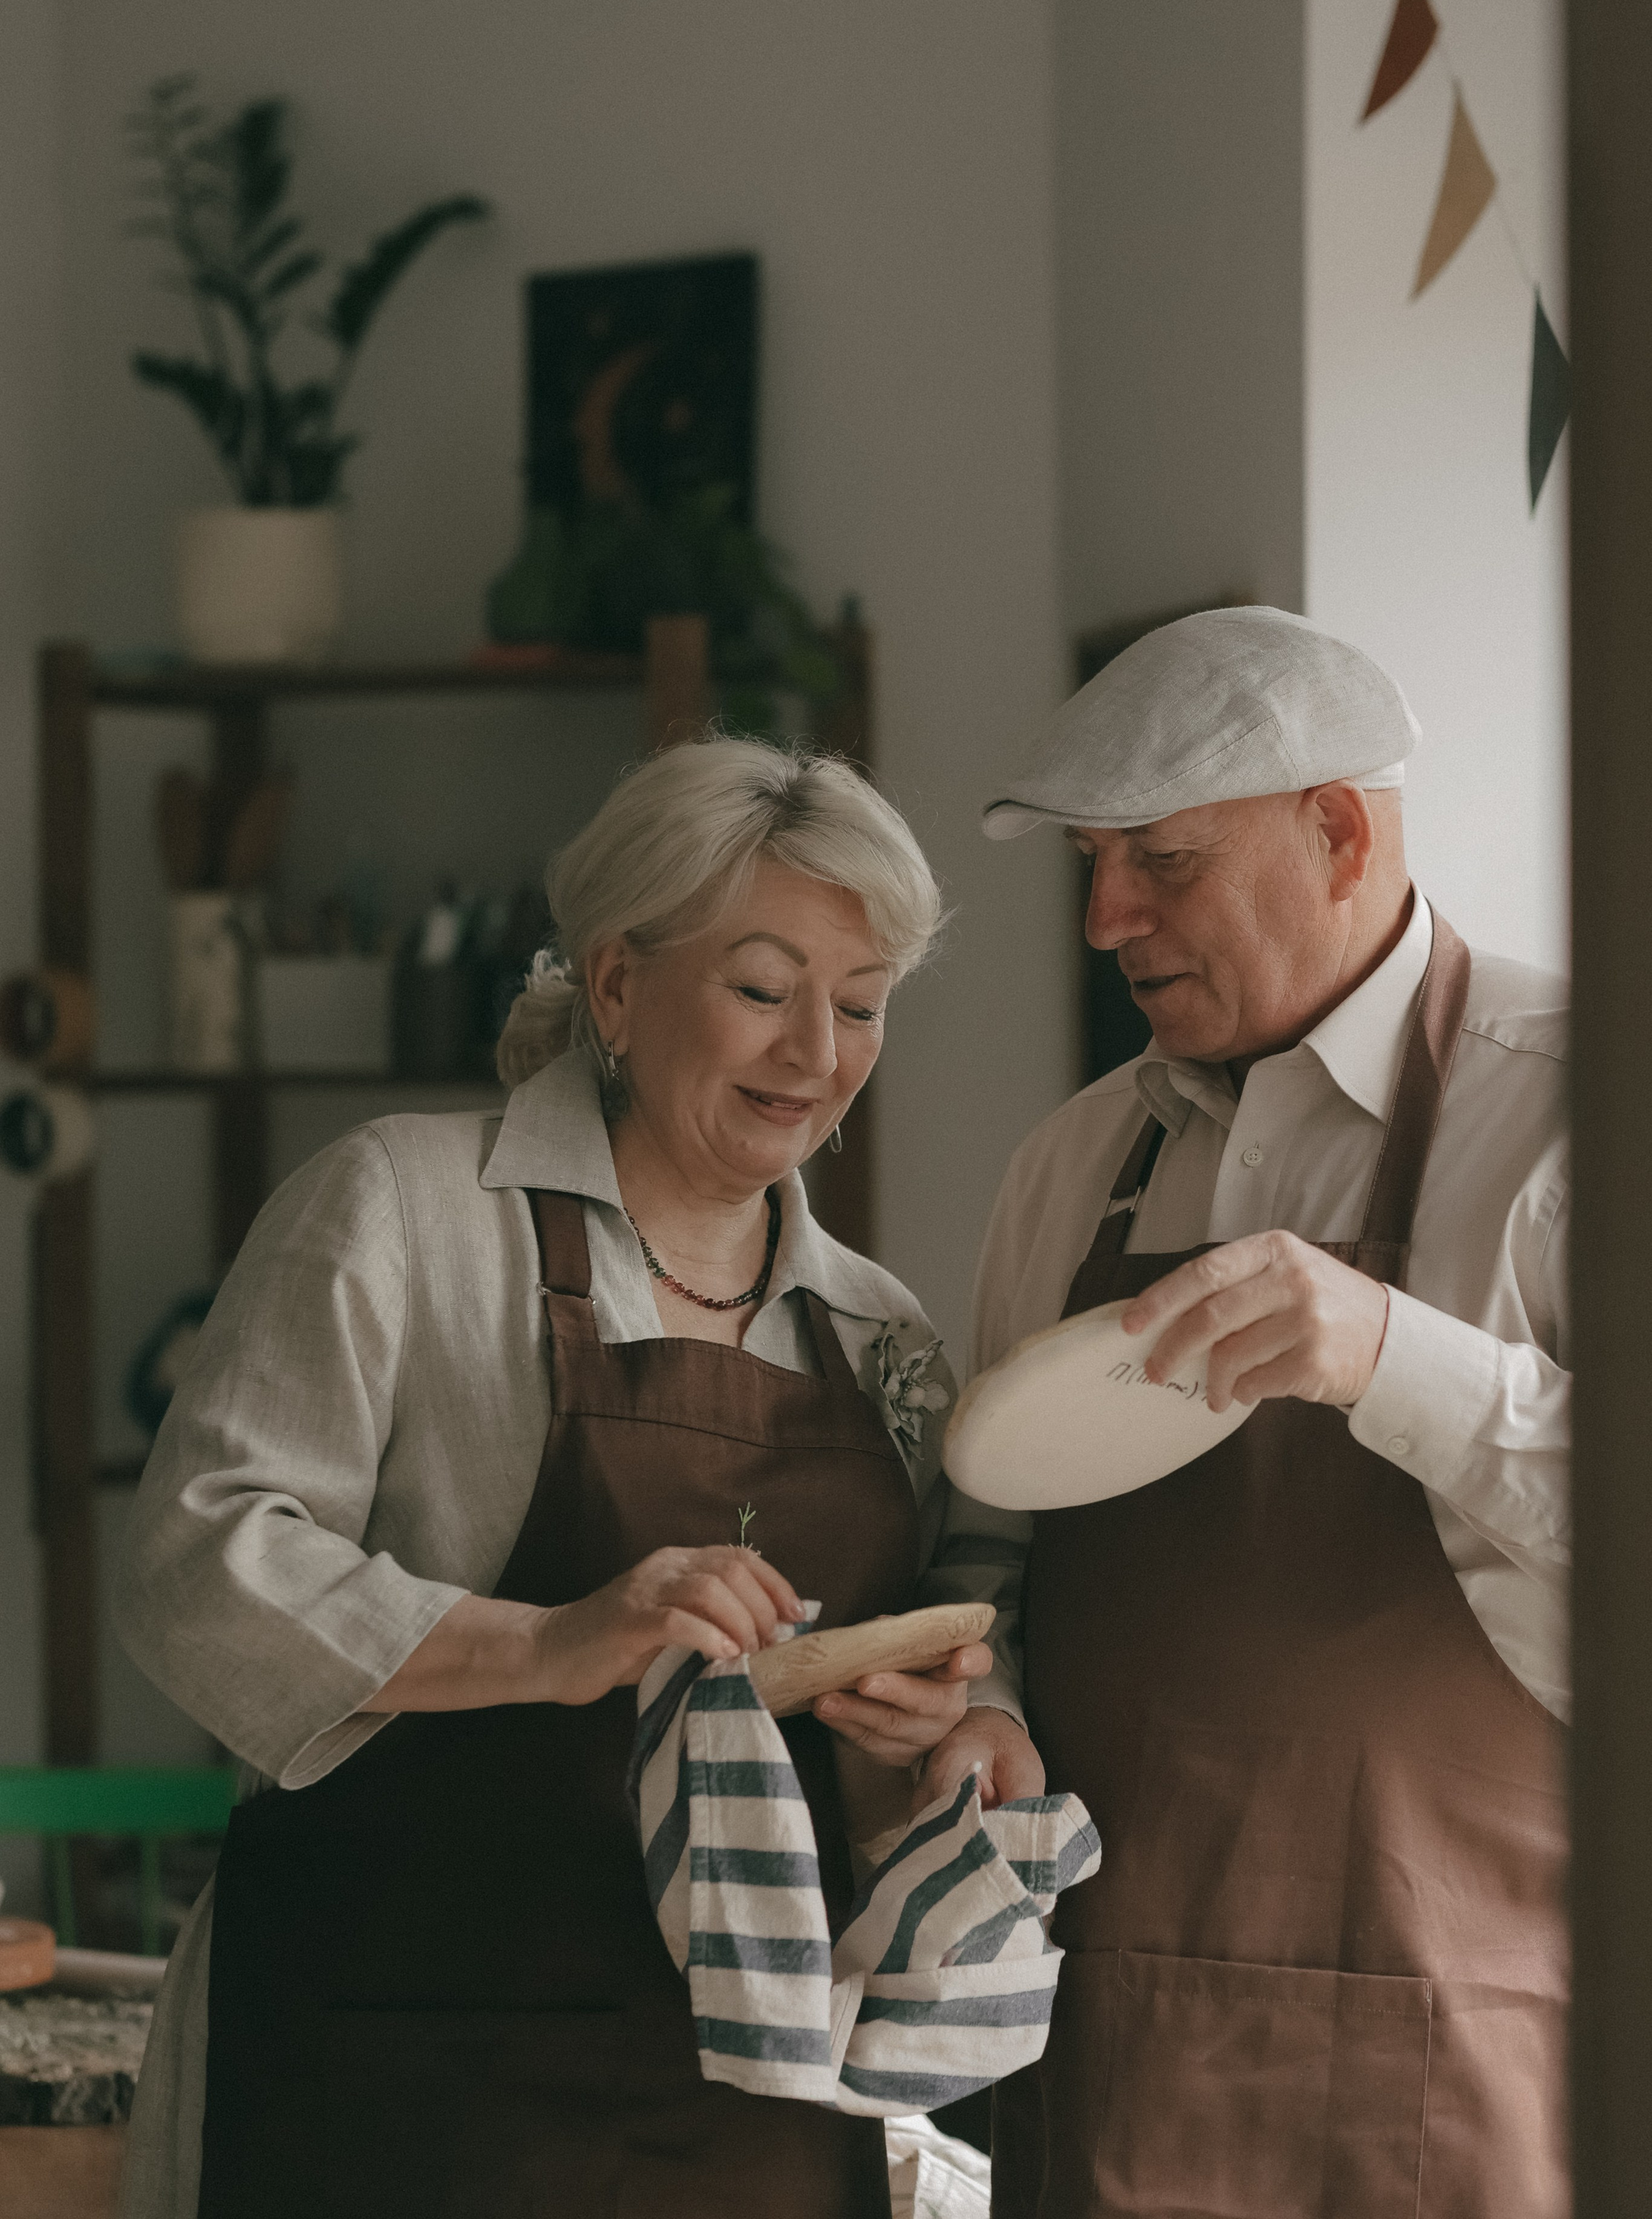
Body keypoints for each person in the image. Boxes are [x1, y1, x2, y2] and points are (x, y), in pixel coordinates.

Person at [114, 737, 1027, 2219]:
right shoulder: (403, 1210)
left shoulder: (881, 1341)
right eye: (759, 989)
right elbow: (197, 1565)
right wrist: (547, 1641)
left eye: (859, 1007)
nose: (815, 1054)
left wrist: (917, 1741)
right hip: (404, 2082)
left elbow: (888, 1765)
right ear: (614, 985)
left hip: (748, 2129)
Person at [925, 607, 1568, 2219]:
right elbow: (981, 1543)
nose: (1102, 920)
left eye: (1160, 861)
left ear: (1336, 832)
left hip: (1466, 2054)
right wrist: (978, 1693)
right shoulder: (1069, 1165)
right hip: (1108, 2047)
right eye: (1091, 865)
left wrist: (1384, 1358)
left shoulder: (1574, 1109)